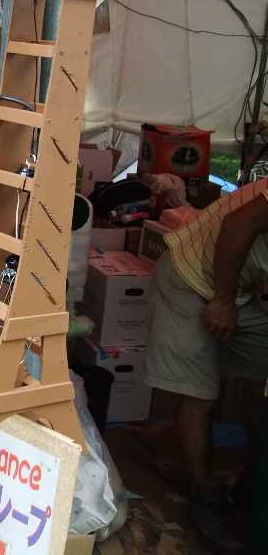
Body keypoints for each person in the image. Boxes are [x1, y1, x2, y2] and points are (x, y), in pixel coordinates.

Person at [146, 180, 268, 553]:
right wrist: (223, 300)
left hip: (242, 288)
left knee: (260, 381)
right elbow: (238, 225)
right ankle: (206, 496)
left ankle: (251, 482)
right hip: (192, 279)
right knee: (199, 394)